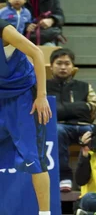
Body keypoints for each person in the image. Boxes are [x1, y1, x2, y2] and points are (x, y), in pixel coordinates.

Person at [0, 19, 52, 215]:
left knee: (34, 158)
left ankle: (45, 213)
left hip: (23, 96)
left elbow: (37, 53)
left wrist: (41, 96)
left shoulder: (5, 29)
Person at [46, 48, 96, 193]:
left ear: (73, 67)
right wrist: (79, 108)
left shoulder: (84, 86)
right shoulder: (43, 87)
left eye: (67, 63)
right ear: (51, 66)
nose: (63, 67)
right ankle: (64, 178)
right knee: (56, 132)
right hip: (59, 127)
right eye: (59, 63)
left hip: (83, 127)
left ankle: (94, 178)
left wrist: (62, 110)